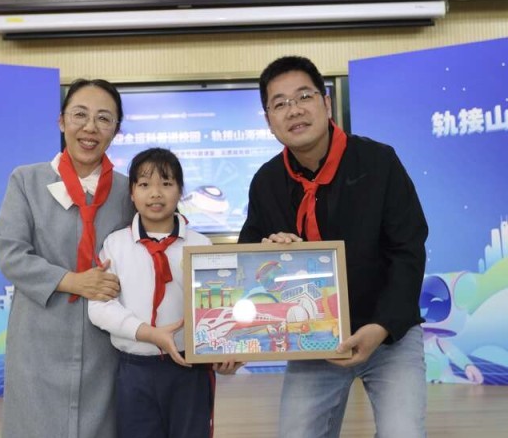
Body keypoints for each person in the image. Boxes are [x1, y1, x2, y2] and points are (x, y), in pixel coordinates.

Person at [238, 56, 428, 438]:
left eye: (303, 96)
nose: (294, 110)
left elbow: (408, 248)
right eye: (280, 103)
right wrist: (271, 254)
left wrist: (381, 327)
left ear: (326, 103)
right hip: (314, 342)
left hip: (388, 334)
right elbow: (248, 258)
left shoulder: (379, 161)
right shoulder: (266, 181)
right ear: (269, 121)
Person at [0, 79, 135, 438]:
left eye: (104, 118)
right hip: (38, 339)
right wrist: (73, 281)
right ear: (61, 121)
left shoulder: (128, 190)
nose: (90, 128)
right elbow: (11, 253)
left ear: (116, 129)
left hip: (103, 342)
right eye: (80, 115)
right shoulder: (26, 180)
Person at [88, 148, 242, 438]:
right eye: (145, 184)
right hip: (134, 370)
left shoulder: (201, 246)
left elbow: (222, 308)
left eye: (167, 184)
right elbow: (99, 307)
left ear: (181, 191)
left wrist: (229, 351)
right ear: (131, 193)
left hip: (190, 369)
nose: (155, 193)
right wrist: (149, 333)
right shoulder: (115, 244)